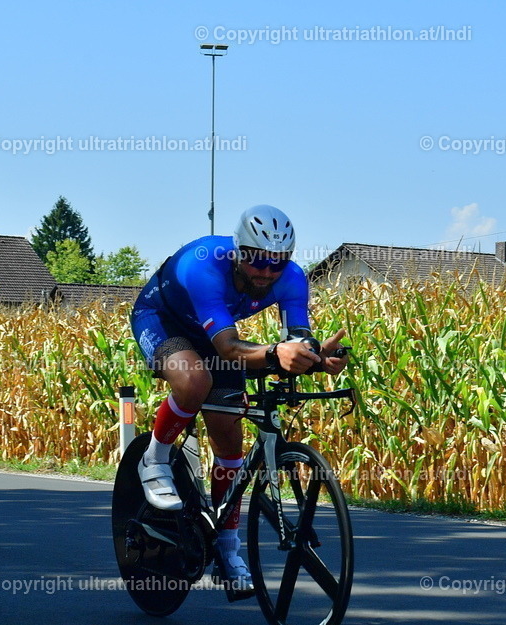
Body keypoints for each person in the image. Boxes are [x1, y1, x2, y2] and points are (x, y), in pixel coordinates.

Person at [129, 204, 348, 596]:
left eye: (277, 262)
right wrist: (276, 352)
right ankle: (154, 457)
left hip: (217, 333)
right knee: (195, 380)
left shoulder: (291, 278)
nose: (266, 272)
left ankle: (227, 549)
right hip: (163, 319)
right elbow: (229, 347)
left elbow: (298, 336)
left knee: (230, 442)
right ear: (238, 252)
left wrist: (314, 356)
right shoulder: (205, 266)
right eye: (257, 260)